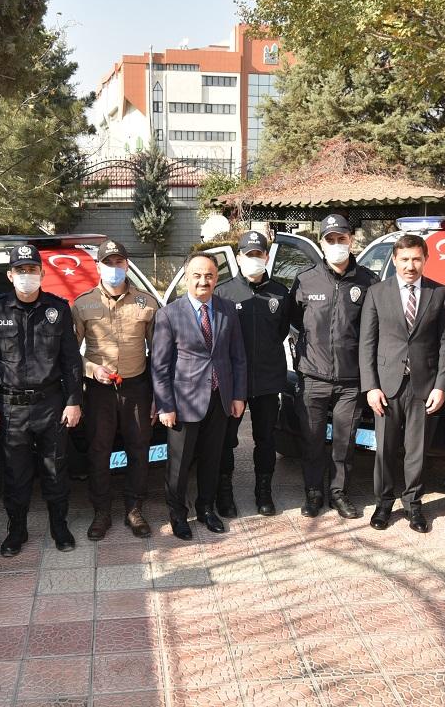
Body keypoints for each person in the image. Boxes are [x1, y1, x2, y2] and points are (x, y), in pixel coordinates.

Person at [0, 244, 85, 557]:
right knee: (15, 473)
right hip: (11, 407)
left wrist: (73, 400)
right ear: (10, 275)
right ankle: (17, 530)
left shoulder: (57, 309)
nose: (27, 275)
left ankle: (59, 527)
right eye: (20, 270)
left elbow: (71, 360)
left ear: (42, 273)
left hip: (51, 404)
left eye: (32, 269)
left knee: (55, 469)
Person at [359, 233, 445, 533]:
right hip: (386, 386)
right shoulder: (377, 292)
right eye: (404, 259)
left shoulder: (438, 293)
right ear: (394, 260)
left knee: (417, 451)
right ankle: (384, 503)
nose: (410, 265)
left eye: (416, 259)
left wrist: (441, 385)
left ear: (425, 259)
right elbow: (367, 343)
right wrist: (371, 387)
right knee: (385, 450)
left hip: (423, 386)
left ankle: (413, 504)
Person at [150, 253, 248, 540]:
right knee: (179, 465)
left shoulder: (227, 309)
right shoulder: (169, 314)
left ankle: (206, 508)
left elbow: (237, 356)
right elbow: (160, 365)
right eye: (197, 275)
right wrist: (165, 405)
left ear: (216, 278)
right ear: (186, 278)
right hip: (183, 403)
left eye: (209, 275)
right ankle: (178, 514)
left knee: (212, 459)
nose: (203, 281)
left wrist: (238, 395)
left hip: (220, 398)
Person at [289, 213, 378, 518]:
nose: (337, 244)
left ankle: (339, 493)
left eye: (342, 238)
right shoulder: (305, 279)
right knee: (312, 440)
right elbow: (293, 320)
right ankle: (314, 493)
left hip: (351, 380)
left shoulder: (368, 281)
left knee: (344, 442)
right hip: (312, 377)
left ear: (351, 240)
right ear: (322, 243)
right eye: (331, 239)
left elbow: (373, 329)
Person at [72, 239, 158, 540]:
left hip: (137, 388)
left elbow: (159, 353)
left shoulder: (147, 303)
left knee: (139, 448)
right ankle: (101, 511)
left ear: (127, 265)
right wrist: (91, 369)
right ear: (98, 266)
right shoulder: (82, 304)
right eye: (107, 262)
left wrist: (158, 396)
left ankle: (134, 509)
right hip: (99, 391)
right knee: (99, 450)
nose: (114, 267)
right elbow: (70, 354)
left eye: (119, 262)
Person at [215, 230, 292, 517]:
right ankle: (224, 492)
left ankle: (263, 491)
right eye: (249, 255)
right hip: (233, 381)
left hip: (268, 379)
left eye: (259, 255)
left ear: (267, 257)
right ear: (239, 258)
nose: (254, 259)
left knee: (265, 438)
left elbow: (281, 331)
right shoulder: (223, 293)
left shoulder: (280, 293)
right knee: (226, 438)